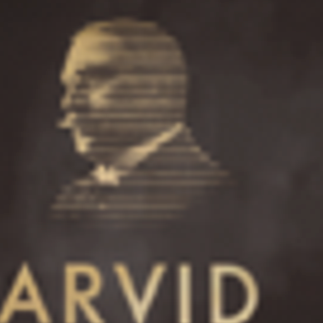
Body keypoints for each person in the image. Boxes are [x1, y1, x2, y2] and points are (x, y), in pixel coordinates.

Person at [52, 21, 231, 221]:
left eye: (96, 77)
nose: (69, 103)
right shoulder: (72, 199)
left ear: (160, 89)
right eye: (68, 85)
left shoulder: (213, 198)